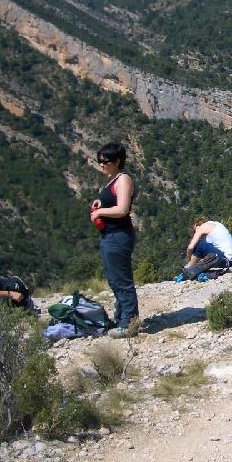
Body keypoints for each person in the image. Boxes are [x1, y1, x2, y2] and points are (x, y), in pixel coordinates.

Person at [90, 143, 139, 339]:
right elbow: (113, 202)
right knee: (114, 279)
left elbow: (122, 209)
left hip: (118, 236)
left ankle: (129, 323)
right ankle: (121, 319)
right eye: (99, 161)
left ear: (117, 161)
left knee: (122, 280)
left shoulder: (123, 179)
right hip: (109, 235)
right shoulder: (112, 181)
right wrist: (100, 203)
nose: (101, 165)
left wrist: (101, 211)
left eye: (105, 162)